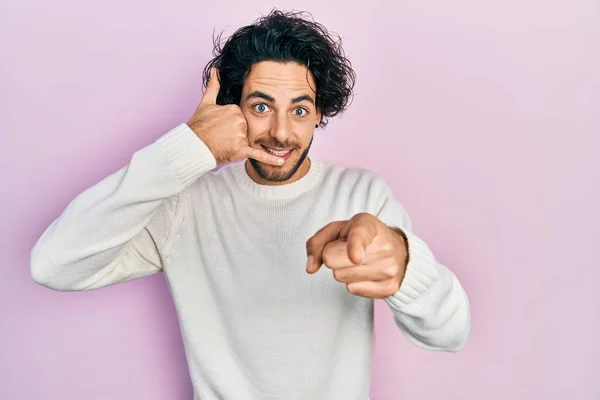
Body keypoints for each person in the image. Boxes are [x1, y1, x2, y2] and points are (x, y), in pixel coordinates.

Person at [30, 9, 470, 400]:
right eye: (262, 106)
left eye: (300, 110)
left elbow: (450, 334)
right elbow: (54, 265)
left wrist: (406, 265)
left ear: (320, 112)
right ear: (233, 107)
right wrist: (188, 147)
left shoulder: (363, 197)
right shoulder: (188, 206)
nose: (280, 132)